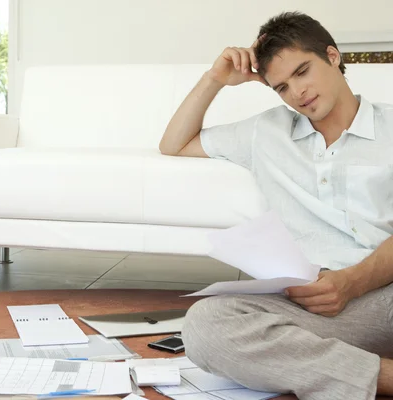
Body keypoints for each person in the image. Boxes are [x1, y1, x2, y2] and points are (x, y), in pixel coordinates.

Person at [159, 11, 393, 400]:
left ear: (333, 56)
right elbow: (174, 144)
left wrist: (353, 281)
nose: (297, 92)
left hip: (384, 289)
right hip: (317, 306)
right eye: (282, 87)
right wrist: (214, 79)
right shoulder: (266, 131)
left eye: (303, 71)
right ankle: (382, 376)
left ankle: (320, 364)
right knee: (206, 325)